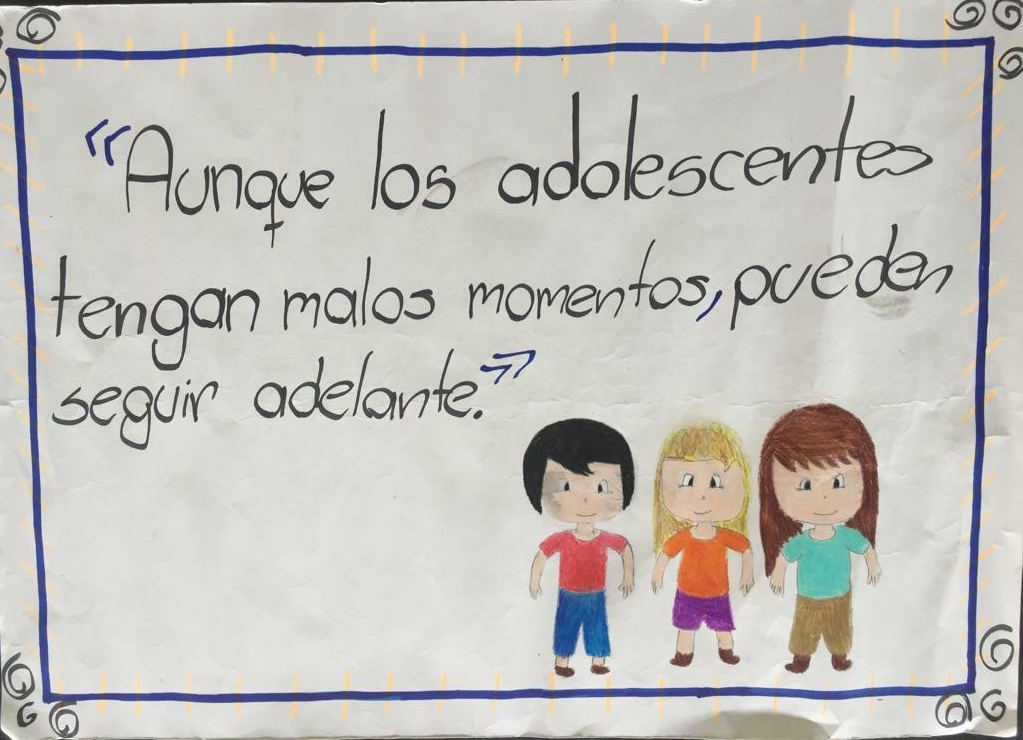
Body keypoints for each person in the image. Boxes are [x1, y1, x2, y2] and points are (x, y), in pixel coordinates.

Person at [760, 404, 882, 673]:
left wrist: (873, 564)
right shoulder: (802, 541)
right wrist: (778, 573)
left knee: (839, 628)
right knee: (804, 629)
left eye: (837, 482)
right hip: (808, 597)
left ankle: (839, 656)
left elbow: (865, 548)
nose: (823, 497)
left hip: (840, 594)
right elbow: (785, 555)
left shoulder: (846, 536)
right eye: (805, 485)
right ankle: (801, 658)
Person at [524, 418, 636, 677]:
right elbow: (542, 555)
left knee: (597, 628)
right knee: (566, 627)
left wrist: (629, 575)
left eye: (601, 487)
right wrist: (534, 579)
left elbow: (625, 548)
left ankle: (599, 661)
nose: (585, 499)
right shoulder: (563, 538)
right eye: (566, 486)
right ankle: (561, 662)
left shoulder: (604, 538)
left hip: (595, 593)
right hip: (568, 593)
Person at [651, 422, 755, 666]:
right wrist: (657, 573)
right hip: (687, 593)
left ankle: (726, 652)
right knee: (685, 629)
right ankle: (683, 656)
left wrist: (747, 573)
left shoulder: (724, 535)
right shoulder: (685, 536)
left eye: (714, 483)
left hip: (717, 592)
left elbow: (746, 549)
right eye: (688, 481)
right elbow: (666, 553)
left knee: (723, 627)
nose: (702, 495)